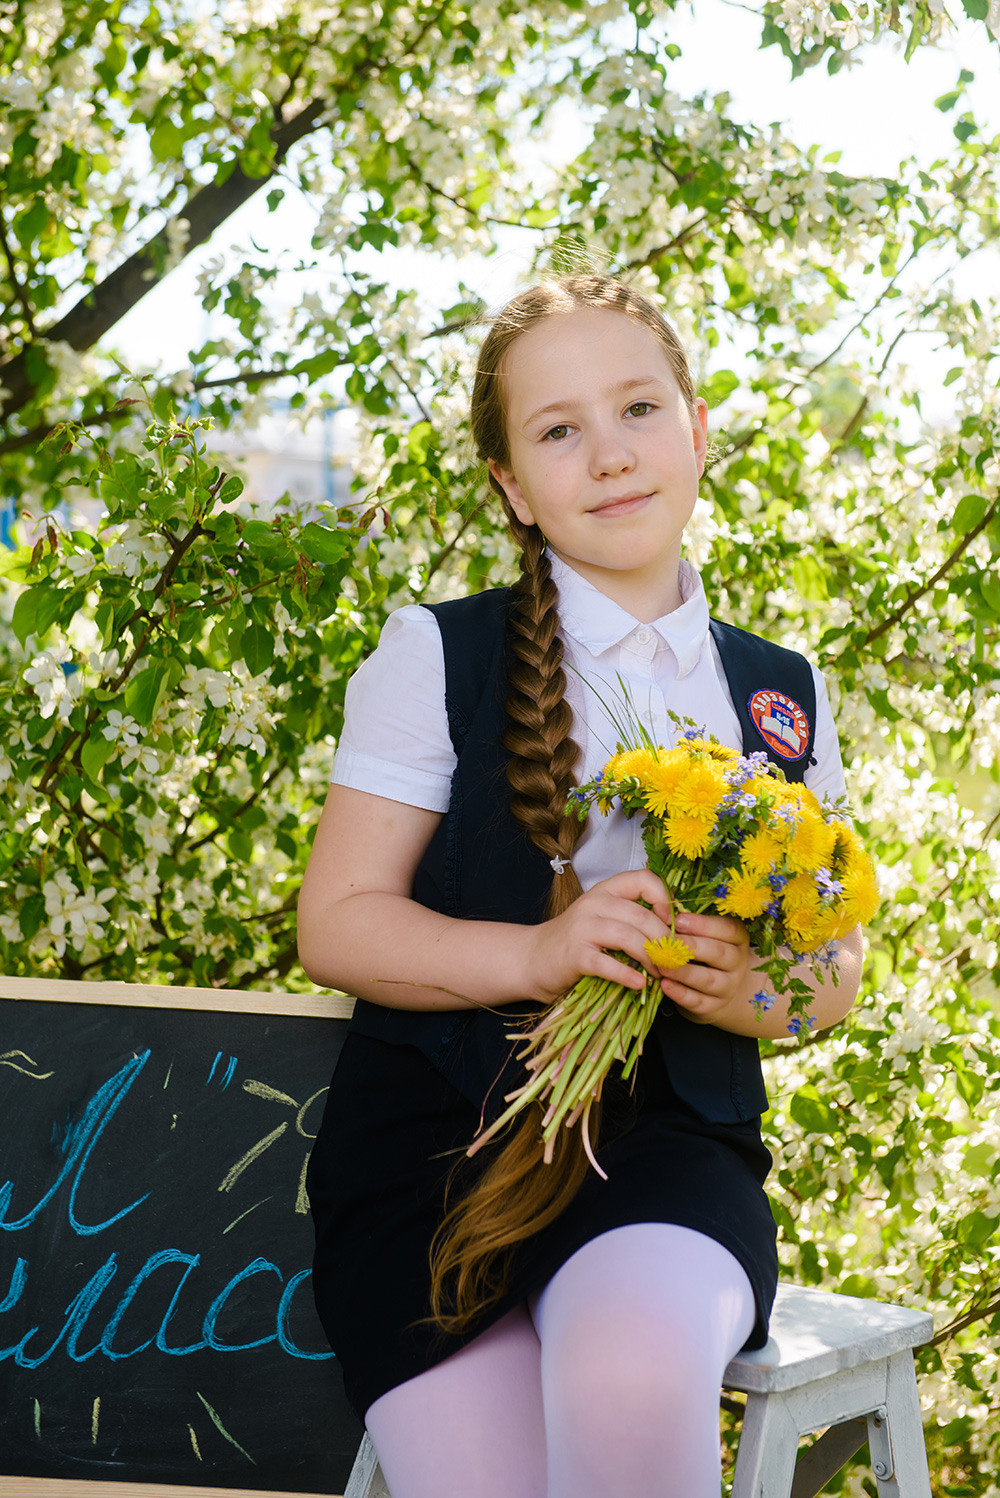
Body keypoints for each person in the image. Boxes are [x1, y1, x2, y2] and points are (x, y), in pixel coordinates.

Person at [297, 274, 864, 1498]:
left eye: (638, 409)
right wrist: (539, 957)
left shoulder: (780, 691)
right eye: (557, 430)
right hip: (435, 1158)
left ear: (699, 428)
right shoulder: (439, 655)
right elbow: (336, 922)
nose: (608, 455)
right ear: (510, 483)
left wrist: (745, 988)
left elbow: (831, 976)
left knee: (626, 1374)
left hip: (667, 1148)